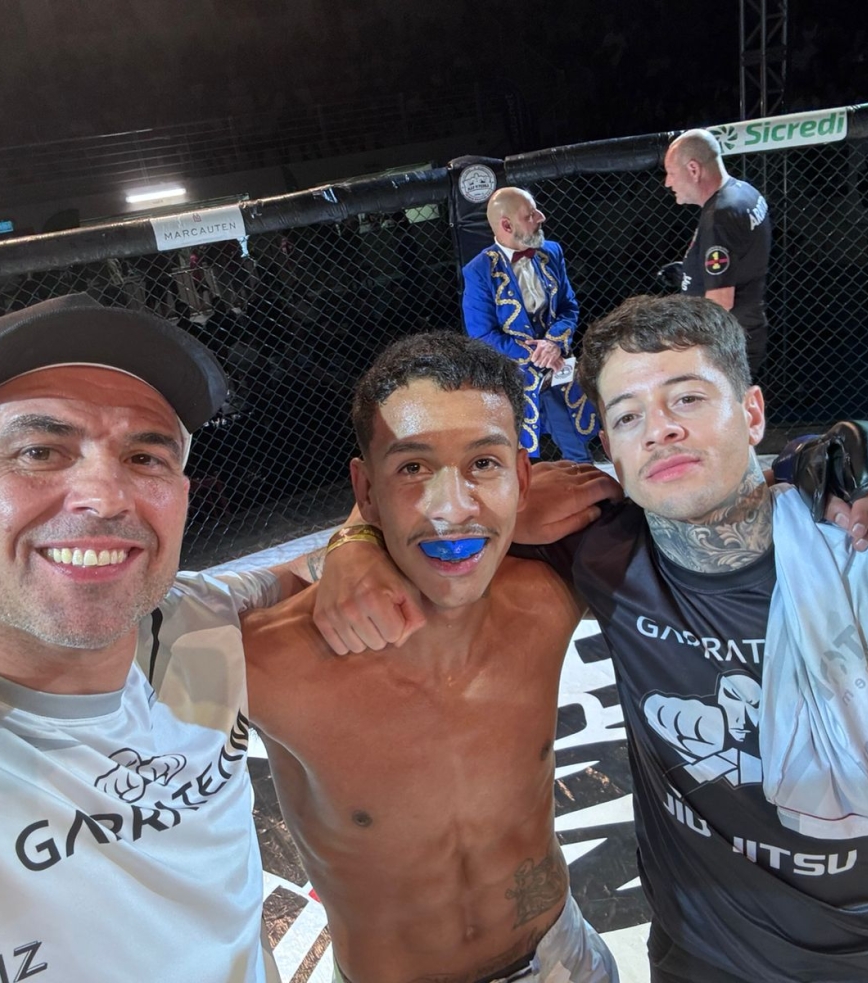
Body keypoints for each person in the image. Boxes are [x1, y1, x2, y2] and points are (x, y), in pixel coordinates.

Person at [0, 293, 616, 983]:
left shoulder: (196, 625)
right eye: (40, 450)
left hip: (563, 954)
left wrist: (382, 532)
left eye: (143, 454)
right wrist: (370, 531)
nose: (101, 494)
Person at [317, 295, 868, 982]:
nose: (660, 429)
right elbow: (434, 497)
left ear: (753, 412)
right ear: (610, 450)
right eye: (628, 415)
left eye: (689, 398)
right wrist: (353, 539)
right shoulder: (600, 548)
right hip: (696, 957)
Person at [242, 332, 618, 983]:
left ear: (522, 477)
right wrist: (350, 540)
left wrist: (827, 457)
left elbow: (710, 504)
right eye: (413, 468)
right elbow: (109, 639)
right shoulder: (272, 656)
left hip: (562, 958)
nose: (452, 508)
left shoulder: (551, 589)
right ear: (365, 488)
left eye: (484, 464)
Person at [462, 187, 599, 463]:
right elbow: (482, 335)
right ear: (506, 226)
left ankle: (591, 483)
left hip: (559, 368)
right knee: (533, 457)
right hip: (517, 378)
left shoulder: (551, 252)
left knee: (578, 442)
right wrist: (537, 354)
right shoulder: (478, 271)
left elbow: (568, 306)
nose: (541, 217)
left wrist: (554, 343)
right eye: (530, 215)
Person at [660, 129, 772, 375]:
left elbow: (720, 303)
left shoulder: (720, 215)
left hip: (726, 345)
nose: (668, 183)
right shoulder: (744, 192)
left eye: (671, 173)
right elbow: (736, 258)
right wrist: (691, 274)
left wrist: (682, 345)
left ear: (693, 170)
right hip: (744, 332)